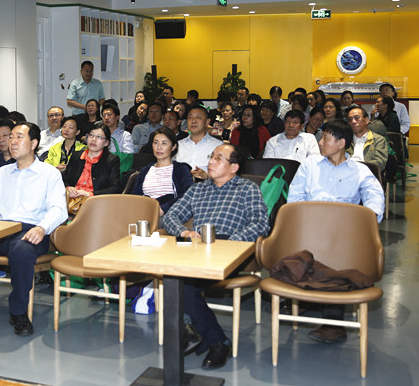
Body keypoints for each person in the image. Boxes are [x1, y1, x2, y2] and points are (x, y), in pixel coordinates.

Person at [163, 143, 269, 370]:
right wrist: (184, 232)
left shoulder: (247, 189)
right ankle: (216, 340)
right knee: (174, 276)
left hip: (231, 248)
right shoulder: (198, 189)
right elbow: (171, 216)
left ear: (234, 167)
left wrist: (231, 243)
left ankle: (192, 329)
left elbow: (260, 224)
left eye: (219, 158)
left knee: (183, 282)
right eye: (211, 157)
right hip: (199, 248)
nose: (211, 161)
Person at [287, 119, 385, 344]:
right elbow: (295, 198)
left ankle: (333, 322)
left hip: (342, 235)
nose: (320, 143)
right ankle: (310, 296)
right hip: (310, 228)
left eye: (325, 138)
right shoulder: (310, 165)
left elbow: (375, 197)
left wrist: (366, 220)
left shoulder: (359, 171)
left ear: (341, 143)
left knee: (335, 258)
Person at [0, 122, 68, 336]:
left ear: (34, 143)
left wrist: (42, 228)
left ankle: (18, 312)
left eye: (19, 137)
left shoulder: (49, 174)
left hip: (31, 230)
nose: (12, 141)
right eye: (10, 137)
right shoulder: (2, 173)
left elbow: (59, 210)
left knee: (22, 251)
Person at [130, 127, 193, 215]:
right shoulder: (146, 170)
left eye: (164, 143)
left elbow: (188, 194)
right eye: (155, 143)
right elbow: (135, 196)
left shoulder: (181, 169)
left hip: (170, 214)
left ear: (173, 147)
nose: (159, 147)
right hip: (144, 212)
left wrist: (164, 209)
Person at [63, 123, 122, 200]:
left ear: (106, 143)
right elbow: (65, 178)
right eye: (91, 135)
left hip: (96, 201)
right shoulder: (76, 155)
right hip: (72, 199)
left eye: (99, 137)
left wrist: (89, 194)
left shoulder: (111, 160)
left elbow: (115, 188)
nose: (93, 139)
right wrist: (68, 187)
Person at [176, 106, 222, 180]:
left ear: (207, 122)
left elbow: (226, 176)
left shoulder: (218, 146)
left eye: (198, 117)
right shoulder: (178, 145)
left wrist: (208, 176)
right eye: (190, 117)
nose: (193, 121)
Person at [345, 106, 388, 172]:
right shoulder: (344, 140)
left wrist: (357, 167)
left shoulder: (378, 140)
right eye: (350, 119)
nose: (353, 121)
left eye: (357, 118)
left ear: (367, 120)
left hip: (368, 173)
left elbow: (380, 163)